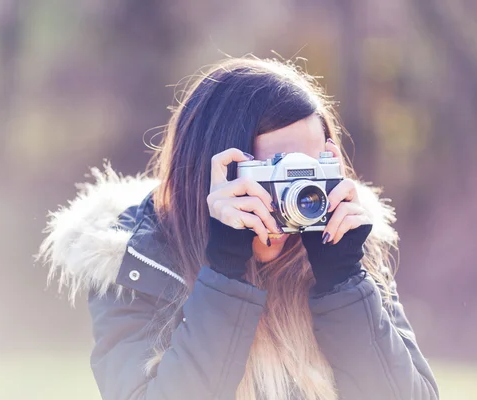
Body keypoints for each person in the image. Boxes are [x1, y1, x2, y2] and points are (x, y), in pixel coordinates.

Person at [38, 56, 439, 400]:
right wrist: (226, 272)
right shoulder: (138, 263)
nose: (299, 193)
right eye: (278, 173)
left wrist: (343, 283)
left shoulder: (349, 247)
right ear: (211, 173)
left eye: (311, 170)